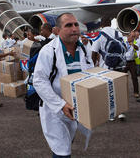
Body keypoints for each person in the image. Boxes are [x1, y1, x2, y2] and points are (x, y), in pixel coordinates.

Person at [33, 13, 94, 157]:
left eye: (76, 24)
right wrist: (60, 105)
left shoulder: (84, 49)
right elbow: (39, 80)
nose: (74, 29)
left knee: (67, 141)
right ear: (58, 30)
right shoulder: (48, 51)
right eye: (68, 25)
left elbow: (90, 74)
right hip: (55, 109)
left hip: (76, 108)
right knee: (62, 151)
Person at [123, 31, 140, 98]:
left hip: (132, 62)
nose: (133, 38)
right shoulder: (123, 41)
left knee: (134, 77)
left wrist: (133, 44)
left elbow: (137, 48)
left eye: (134, 37)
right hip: (124, 62)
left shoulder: (135, 42)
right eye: (132, 36)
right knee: (122, 77)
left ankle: (136, 92)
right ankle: (123, 91)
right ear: (128, 36)